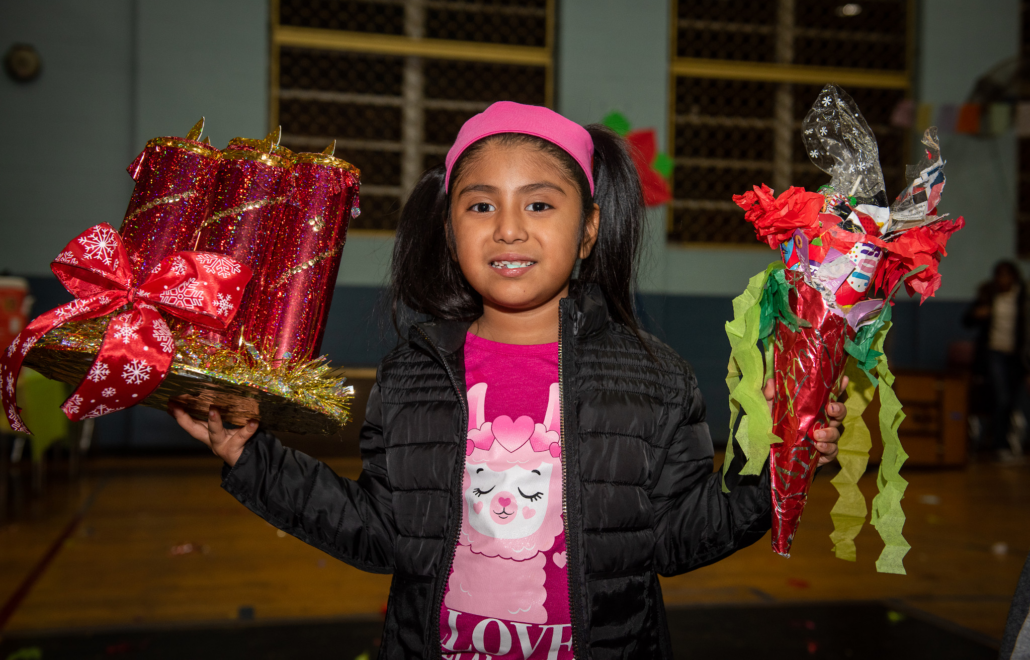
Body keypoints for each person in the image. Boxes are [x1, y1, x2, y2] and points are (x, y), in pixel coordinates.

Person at [169, 102, 845, 659]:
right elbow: (381, 532)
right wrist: (252, 459)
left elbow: (676, 537)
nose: (510, 229)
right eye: (481, 206)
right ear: (448, 227)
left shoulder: (654, 376)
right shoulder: (414, 373)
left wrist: (780, 470)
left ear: (588, 231)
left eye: (541, 205)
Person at [963, 260, 1029, 458]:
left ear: (1014, 277)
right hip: (993, 353)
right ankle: (998, 446)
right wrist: (978, 314)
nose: (1003, 280)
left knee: (1011, 402)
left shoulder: (1022, 298)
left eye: (1007, 275)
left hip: (1016, 355)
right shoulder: (989, 294)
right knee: (1001, 398)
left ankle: (1003, 443)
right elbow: (966, 320)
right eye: (999, 275)